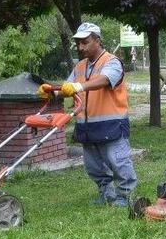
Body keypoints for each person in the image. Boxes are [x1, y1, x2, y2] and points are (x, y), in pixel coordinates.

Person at [38, 22, 137, 207]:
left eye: (85, 42)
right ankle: (106, 194)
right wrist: (52, 92)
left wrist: (78, 86)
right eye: (78, 43)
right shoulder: (80, 66)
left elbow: (104, 80)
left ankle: (125, 196)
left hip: (112, 124)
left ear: (97, 40)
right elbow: (68, 88)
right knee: (94, 166)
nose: (81, 47)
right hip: (86, 126)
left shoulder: (112, 62)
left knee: (119, 162)